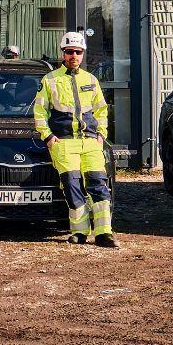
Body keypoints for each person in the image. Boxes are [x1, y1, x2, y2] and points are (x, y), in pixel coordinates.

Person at [32, 31, 117, 247]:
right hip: (63, 142)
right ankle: (79, 232)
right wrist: (48, 137)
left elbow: (101, 110)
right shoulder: (50, 79)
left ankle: (104, 233)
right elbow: (40, 111)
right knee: (71, 185)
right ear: (63, 53)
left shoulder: (90, 79)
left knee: (98, 183)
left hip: (90, 141)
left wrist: (101, 135)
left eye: (78, 52)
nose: (74, 56)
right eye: (70, 51)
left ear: (83, 53)